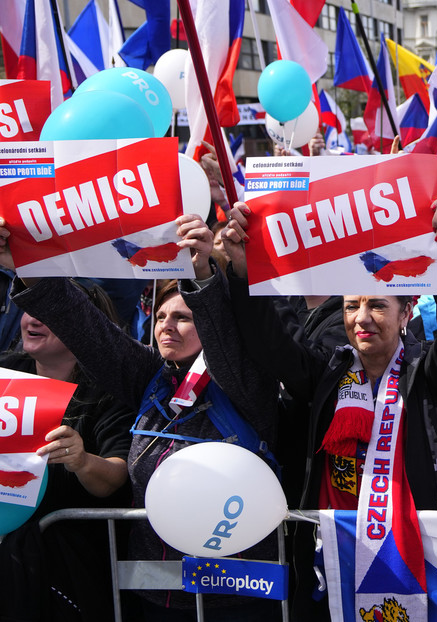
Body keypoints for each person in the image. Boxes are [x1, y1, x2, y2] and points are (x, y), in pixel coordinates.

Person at [0, 214, 281, 619]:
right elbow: (88, 329)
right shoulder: (151, 377)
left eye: (184, 317)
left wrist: (201, 272)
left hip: (236, 596)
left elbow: (224, 335)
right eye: (162, 317)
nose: (168, 326)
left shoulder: (245, 385)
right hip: (154, 593)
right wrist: (28, 266)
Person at [219, 197, 437, 619]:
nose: (362, 318)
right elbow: (272, 345)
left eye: (376, 305)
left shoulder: (426, 371)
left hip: (408, 551)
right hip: (330, 550)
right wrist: (245, 272)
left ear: (407, 312)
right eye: (352, 305)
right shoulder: (328, 371)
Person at [0, 283, 133, 621]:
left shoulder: (110, 392)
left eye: (49, 311)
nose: (33, 318)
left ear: (83, 324)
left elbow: (114, 477)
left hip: (68, 568)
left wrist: (82, 460)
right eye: (29, 307)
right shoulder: (6, 373)